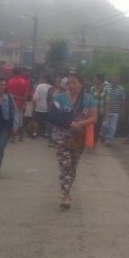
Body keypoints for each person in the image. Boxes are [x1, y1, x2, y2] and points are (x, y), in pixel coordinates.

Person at [51, 73, 97, 208]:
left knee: (73, 167)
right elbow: (52, 116)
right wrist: (71, 123)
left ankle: (67, 191)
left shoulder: (89, 99)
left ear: (81, 84)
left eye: (74, 83)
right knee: (65, 165)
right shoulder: (59, 98)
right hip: (61, 136)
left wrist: (80, 124)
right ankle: (65, 196)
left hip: (79, 138)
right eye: (68, 83)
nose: (70, 85)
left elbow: (94, 118)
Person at [101, 74, 125, 147]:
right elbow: (102, 98)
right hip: (106, 110)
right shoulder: (106, 87)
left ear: (119, 80)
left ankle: (109, 140)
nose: (115, 80)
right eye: (114, 79)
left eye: (117, 79)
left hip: (115, 111)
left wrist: (122, 109)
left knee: (112, 127)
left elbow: (123, 100)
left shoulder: (121, 89)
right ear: (112, 79)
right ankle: (103, 135)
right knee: (104, 125)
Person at [6, 67, 29, 142]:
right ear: (20, 73)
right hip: (20, 103)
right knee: (20, 120)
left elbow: (9, 94)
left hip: (12, 103)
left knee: (13, 120)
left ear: (13, 73)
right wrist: (24, 103)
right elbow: (26, 94)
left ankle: (13, 137)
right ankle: (21, 137)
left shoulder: (10, 81)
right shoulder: (24, 81)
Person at [89, 73, 109, 149]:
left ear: (100, 80)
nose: (94, 80)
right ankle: (89, 144)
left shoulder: (106, 90)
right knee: (91, 129)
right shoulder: (91, 89)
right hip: (92, 113)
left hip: (100, 113)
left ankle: (94, 144)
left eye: (95, 78)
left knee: (97, 129)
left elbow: (107, 103)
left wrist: (106, 114)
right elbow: (89, 101)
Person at [46, 76, 63, 147]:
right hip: (51, 109)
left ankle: (57, 141)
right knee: (50, 125)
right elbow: (47, 99)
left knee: (58, 126)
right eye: (56, 81)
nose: (57, 83)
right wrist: (48, 107)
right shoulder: (50, 89)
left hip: (60, 110)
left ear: (60, 82)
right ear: (54, 82)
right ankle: (50, 140)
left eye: (59, 81)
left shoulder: (63, 90)